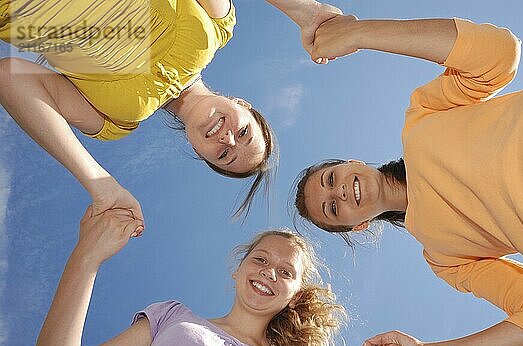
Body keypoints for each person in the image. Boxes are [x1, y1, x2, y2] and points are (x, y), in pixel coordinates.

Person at [293, 13, 523, 346]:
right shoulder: (445, 259)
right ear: (357, 226)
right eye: (332, 208)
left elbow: (500, 54)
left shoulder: (421, 117)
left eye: (330, 179)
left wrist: (357, 33)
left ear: (352, 164)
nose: (337, 192)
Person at [0, 0, 343, 231]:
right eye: (244, 134)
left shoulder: (117, 120)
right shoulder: (216, 28)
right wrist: (307, 12)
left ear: (198, 152)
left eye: (224, 155)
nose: (227, 139)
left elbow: (11, 77)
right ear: (242, 104)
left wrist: (101, 185)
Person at [26, 207, 413, 346]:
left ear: (295, 296)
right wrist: (85, 260)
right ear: (238, 269)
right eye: (260, 259)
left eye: (286, 272)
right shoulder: (170, 317)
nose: (269, 273)